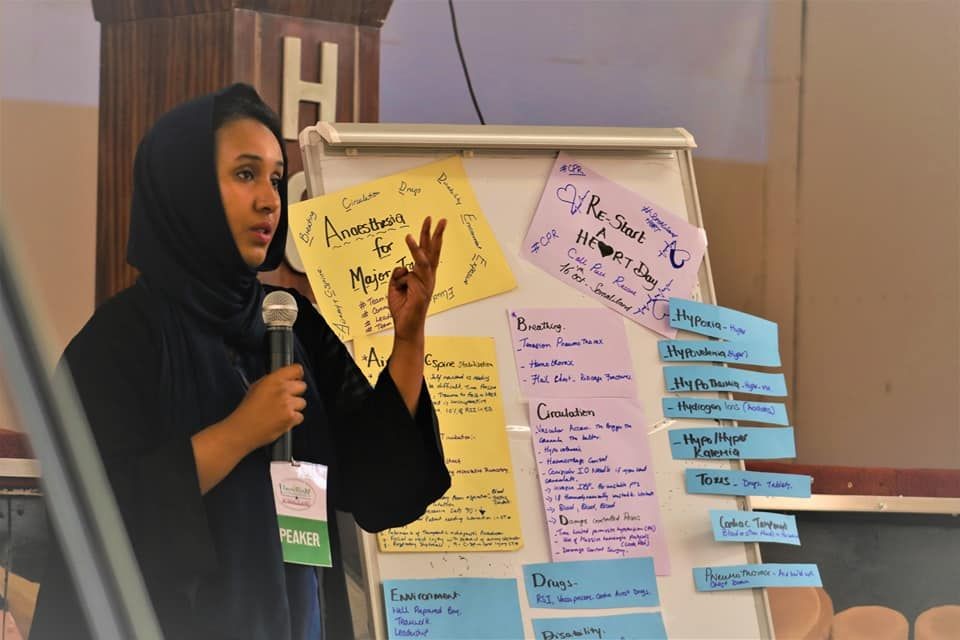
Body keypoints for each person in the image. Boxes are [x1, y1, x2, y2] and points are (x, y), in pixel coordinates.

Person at [32, 83, 451, 639]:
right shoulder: (119, 341)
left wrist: (409, 339)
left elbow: (378, 485)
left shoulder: (289, 321)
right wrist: (239, 432)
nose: (270, 200)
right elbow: (90, 518)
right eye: (246, 174)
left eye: (277, 178)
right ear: (187, 186)